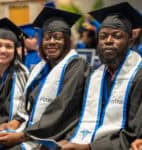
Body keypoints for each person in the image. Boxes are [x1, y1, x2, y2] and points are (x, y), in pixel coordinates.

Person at [0, 7, 91, 149]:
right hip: (30, 132)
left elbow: (61, 110)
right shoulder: (40, 68)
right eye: (47, 37)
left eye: (57, 37)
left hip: (55, 137)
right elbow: (27, 107)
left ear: (67, 40)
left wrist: (21, 136)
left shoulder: (77, 66)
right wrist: (14, 123)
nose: (51, 42)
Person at [54, 2, 142, 150]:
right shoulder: (95, 75)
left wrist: (89, 147)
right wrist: (69, 138)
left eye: (116, 36)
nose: (108, 41)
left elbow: (134, 134)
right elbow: (84, 118)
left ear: (130, 41)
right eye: (103, 36)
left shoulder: (138, 77)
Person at [0, 18, 29, 128]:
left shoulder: (22, 75)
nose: (3, 50)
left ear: (15, 50)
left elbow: (22, 113)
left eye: (8, 46)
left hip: (5, 131)